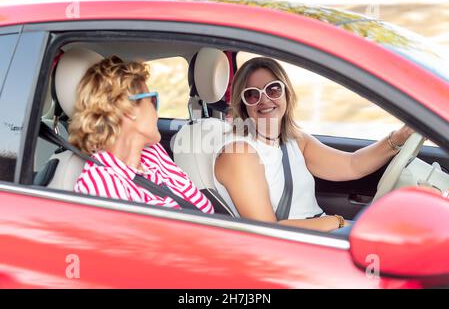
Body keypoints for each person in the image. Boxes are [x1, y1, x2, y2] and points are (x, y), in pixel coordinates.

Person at [213, 57, 413, 231]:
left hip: (321, 233)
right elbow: (268, 231)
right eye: (252, 94)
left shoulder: (294, 140)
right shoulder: (239, 154)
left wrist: (398, 138)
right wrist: (337, 221)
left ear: (286, 94)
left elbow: (352, 164)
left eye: (273, 89)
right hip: (298, 247)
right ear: (242, 103)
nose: (264, 100)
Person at [69, 56, 214, 214]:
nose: (156, 112)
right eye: (152, 100)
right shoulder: (101, 184)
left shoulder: (154, 153)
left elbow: (204, 209)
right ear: (128, 110)